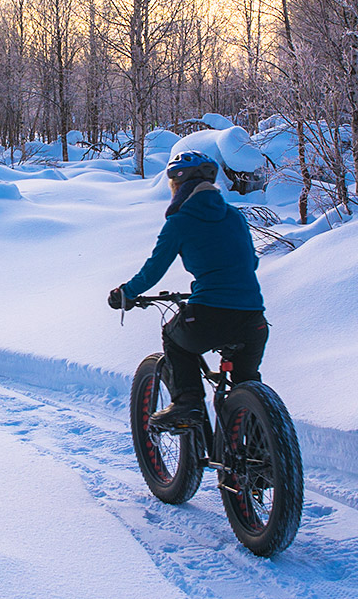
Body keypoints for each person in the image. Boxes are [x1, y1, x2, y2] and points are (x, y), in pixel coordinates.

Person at [109, 149, 268, 430]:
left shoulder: (179, 222)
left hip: (209, 315)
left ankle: (188, 402)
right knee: (247, 382)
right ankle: (260, 453)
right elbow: (251, 261)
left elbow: (154, 269)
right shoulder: (235, 217)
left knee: (173, 336)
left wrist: (127, 293)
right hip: (254, 318)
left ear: (178, 186)